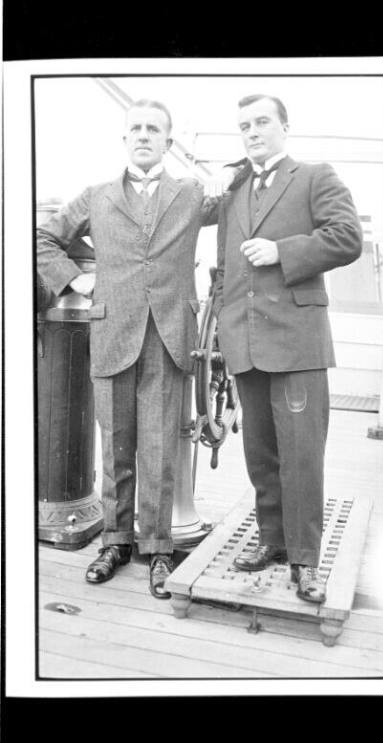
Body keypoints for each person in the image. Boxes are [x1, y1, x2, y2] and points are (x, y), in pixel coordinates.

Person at [37, 99, 228, 598]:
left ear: (168, 141)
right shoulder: (96, 196)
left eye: (154, 129)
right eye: (136, 128)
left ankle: (159, 548)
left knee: (161, 450)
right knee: (116, 445)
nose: (144, 135)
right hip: (112, 332)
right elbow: (42, 239)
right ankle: (115, 542)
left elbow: (238, 202)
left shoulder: (190, 193)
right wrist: (77, 278)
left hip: (168, 338)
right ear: (125, 139)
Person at [213, 94, 363, 603]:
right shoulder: (235, 190)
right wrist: (222, 329)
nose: (252, 132)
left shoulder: (316, 176)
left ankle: (305, 560)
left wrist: (283, 251)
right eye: (244, 126)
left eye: (261, 122)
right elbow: (226, 273)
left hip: (297, 343)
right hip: (246, 343)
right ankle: (273, 541)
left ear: (284, 127)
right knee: (261, 454)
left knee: (301, 456)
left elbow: (347, 238)